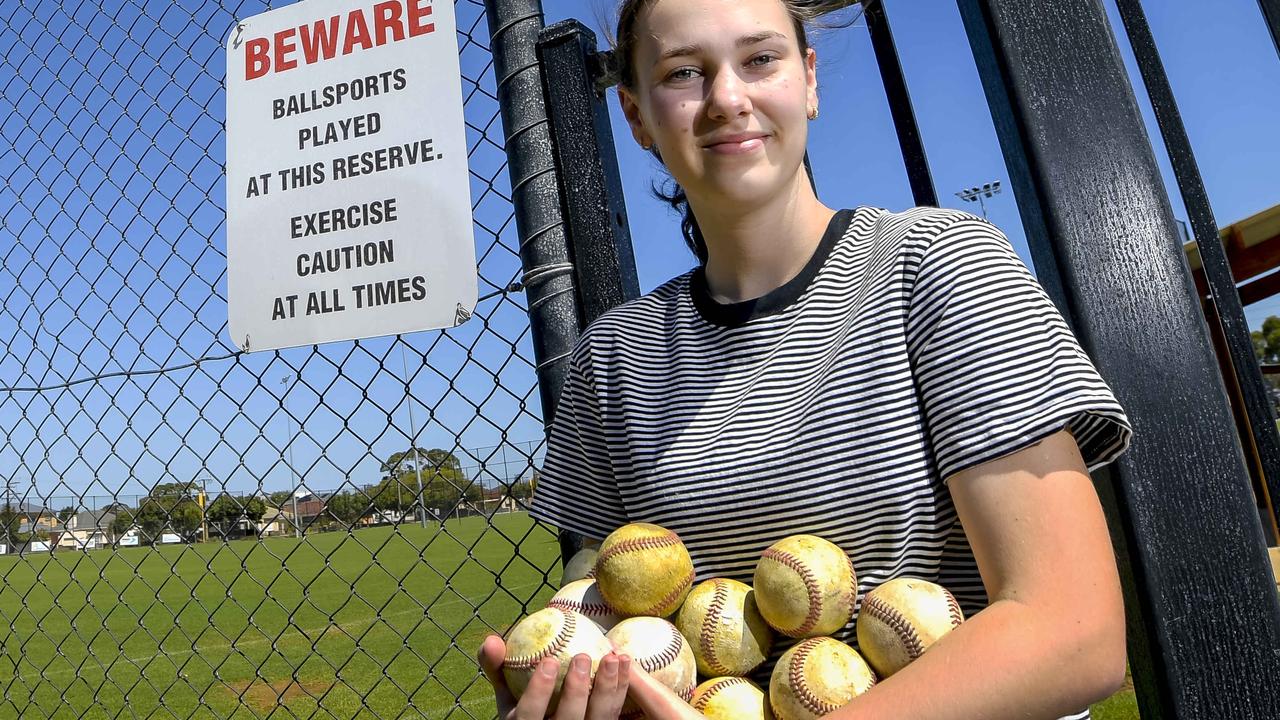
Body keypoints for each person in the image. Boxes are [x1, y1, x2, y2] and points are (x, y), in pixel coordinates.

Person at [479, 0, 1133, 718]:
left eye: (760, 59)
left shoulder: (936, 265)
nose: (728, 98)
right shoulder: (612, 356)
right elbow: (604, 614)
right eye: (685, 71)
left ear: (810, 80)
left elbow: (1074, 632)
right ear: (635, 116)